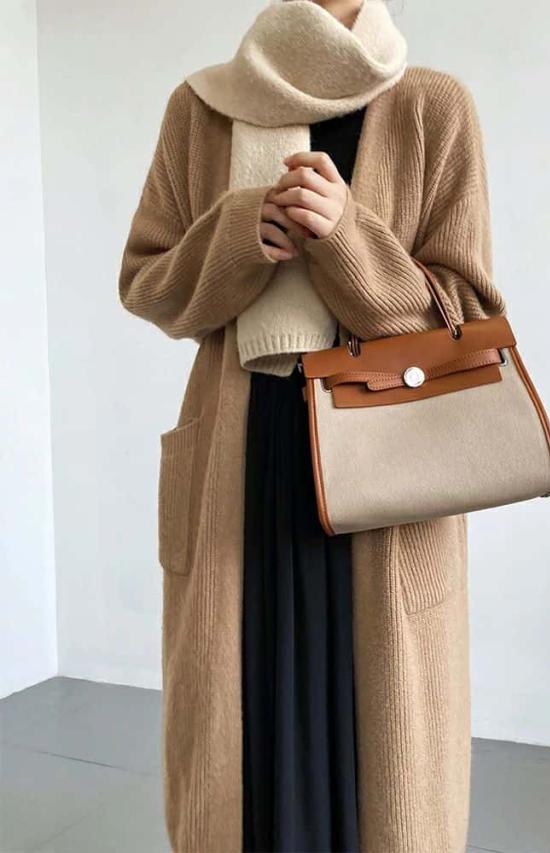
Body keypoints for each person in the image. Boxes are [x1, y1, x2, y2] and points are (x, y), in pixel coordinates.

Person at [118, 0, 507, 851]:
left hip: (386, 473)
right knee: (241, 738)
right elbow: (147, 283)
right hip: (245, 458)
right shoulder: (202, 108)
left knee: (383, 757)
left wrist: (347, 237)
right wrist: (235, 233)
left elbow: (467, 315)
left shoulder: (432, 105)